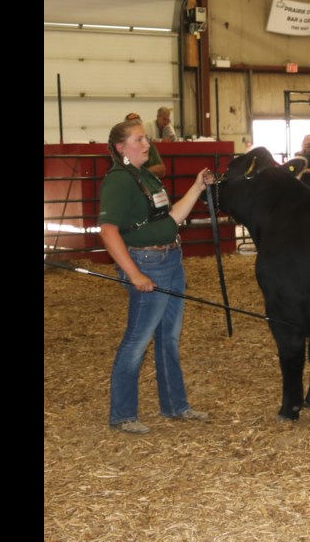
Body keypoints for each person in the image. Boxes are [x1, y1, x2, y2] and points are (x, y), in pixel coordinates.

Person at [98, 118, 214, 434]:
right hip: (148, 263)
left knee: (169, 338)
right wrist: (134, 273)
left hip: (172, 260)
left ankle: (175, 406)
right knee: (137, 341)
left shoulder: (146, 177)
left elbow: (172, 217)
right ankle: (122, 414)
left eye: (146, 139)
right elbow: (108, 231)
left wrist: (196, 187)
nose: (147, 144)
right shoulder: (120, 181)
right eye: (139, 140)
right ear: (121, 148)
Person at [125, 113, 167, 178]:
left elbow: (162, 170)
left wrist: (143, 172)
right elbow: (125, 173)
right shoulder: (122, 148)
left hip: (149, 185)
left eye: (138, 125)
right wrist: (151, 170)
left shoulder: (150, 147)